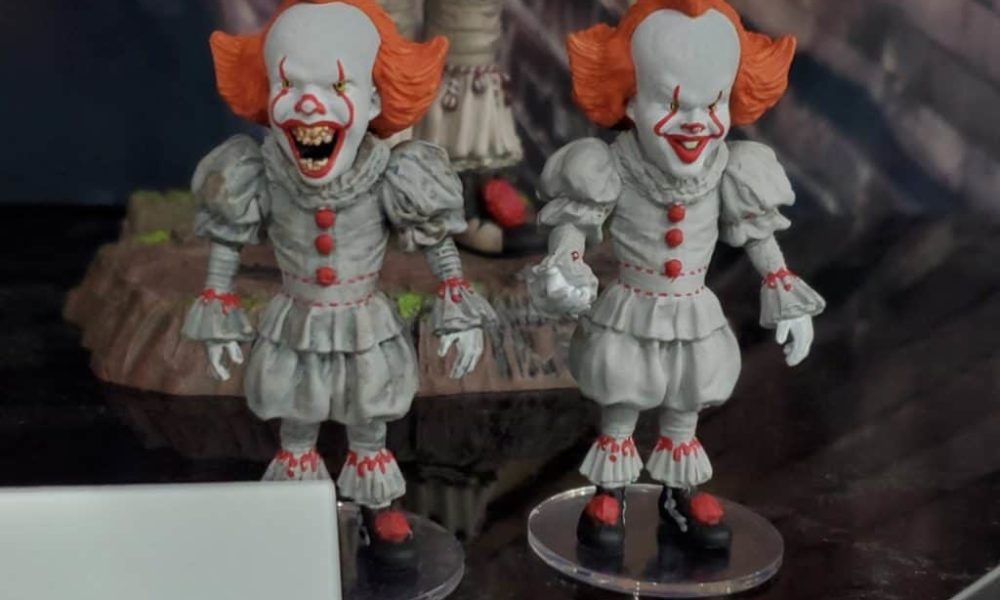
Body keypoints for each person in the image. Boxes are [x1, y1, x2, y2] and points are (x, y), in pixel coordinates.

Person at [181, 0, 496, 567]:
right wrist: (218, 301)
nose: (308, 103)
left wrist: (456, 299)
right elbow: (227, 241)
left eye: (336, 86)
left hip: (362, 318)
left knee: (367, 409)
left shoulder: (393, 175)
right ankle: (296, 504)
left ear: (373, 101)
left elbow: (436, 242)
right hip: (296, 316)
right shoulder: (257, 173)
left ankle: (377, 507)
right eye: (289, 85)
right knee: (296, 410)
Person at [526, 0, 825, 553]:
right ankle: (609, 492)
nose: (695, 122)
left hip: (692, 308)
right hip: (631, 304)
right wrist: (566, 262)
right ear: (629, 101)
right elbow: (576, 224)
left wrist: (784, 291)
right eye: (670, 103)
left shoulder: (730, 169)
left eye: (712, 104)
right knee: (622, 393)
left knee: (685, 398)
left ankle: (678, 494)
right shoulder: (610, 165)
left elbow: (759, 236)